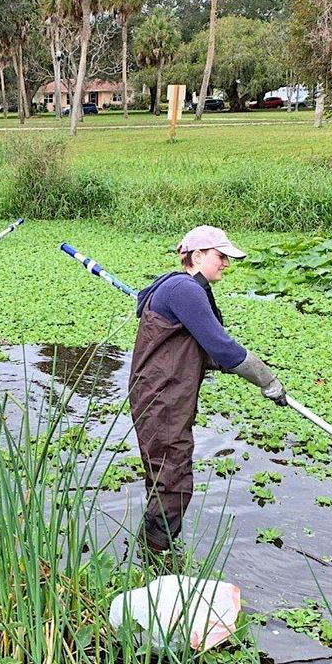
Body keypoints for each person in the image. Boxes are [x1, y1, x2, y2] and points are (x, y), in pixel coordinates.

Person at [128, 226, 287, 554]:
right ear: (197, 255)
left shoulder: (179, 287)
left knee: (166, 474)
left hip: (163, 394)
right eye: (221, 255)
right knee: (172, 477)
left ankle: (155, 548)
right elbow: (223, 347)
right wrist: (267, 380)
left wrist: (228, 364)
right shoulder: (184, 290)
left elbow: (205, 350)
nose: (226, 262)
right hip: (164, 398)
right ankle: (158, 555)